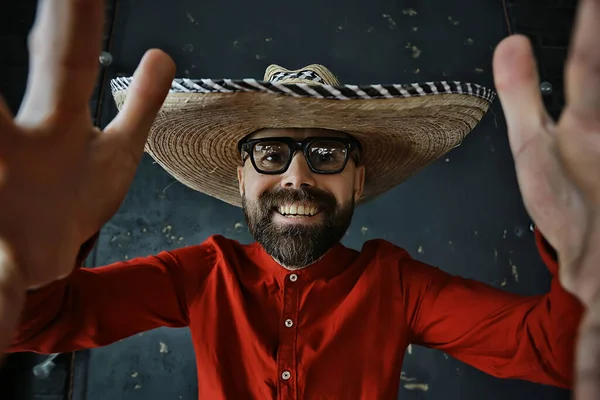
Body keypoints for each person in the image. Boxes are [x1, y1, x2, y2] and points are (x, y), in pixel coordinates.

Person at [0, 0, 599, 399]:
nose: (296, 177)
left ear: (359, 180)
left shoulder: (398, 285)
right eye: (271, 153)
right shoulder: (201, 275)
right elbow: (42, 323)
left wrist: (583, 263)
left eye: (327, 154)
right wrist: (31, 259)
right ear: (240, 178)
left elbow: (556, 352)